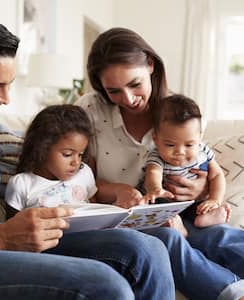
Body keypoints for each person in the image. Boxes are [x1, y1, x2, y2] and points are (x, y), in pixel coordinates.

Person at [0, 13, 176, 300]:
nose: (6, 99)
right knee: (104, 285)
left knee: (145, 250)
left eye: (8, 84)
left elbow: (37, 145)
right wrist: (2, 236)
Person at [76, 27, 244, 300]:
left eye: (135, 84)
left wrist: (199, 190)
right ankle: (234, 294)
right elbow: (79, 180)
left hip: (175, 211)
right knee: (168, 240)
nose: (128, 99)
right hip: (120, 219)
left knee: (219, 236)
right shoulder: (90, 110)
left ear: (151, 65)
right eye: (113, 91)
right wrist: (117, 190)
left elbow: (200, 164)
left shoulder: (179, 111)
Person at [139, 94, 231, 230]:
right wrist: (155, 189)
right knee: (153, 207)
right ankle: (176, 226)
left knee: (203, 206)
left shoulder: (202, 151)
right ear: (156, 139)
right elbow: (153, 172)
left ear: (200, 138)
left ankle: (209, 216)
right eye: (170, 145)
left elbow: (217, 175)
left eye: (189, 145)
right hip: (166, 201)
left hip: (193, 202)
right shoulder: (156, 156)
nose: (180, 152)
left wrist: (214, 199)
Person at [5, 104, 97, 218]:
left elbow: (96, 210)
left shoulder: (84, 173)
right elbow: (12, 227)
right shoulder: (22, 184)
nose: (76, 162)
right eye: (67, 154)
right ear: (42, 148)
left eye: (80, 155)